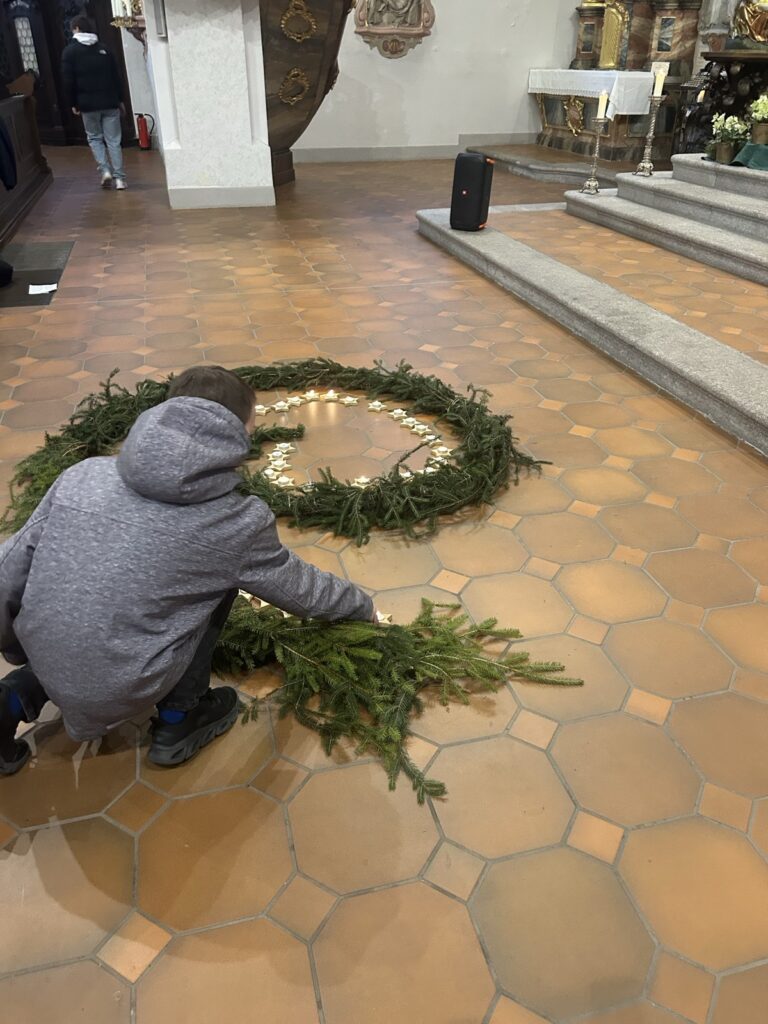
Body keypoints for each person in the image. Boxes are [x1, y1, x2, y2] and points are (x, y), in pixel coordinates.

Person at [0, 366, 374, 775]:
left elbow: (8, 568)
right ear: (235, 434)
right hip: (125, 683)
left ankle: (11, 700)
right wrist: (362, 607)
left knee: (86, 600)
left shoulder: (83, 475)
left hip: (41, 652)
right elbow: (300, 589)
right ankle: (181, 717)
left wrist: (16, 648)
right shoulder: (235, 522)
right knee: (218, 586)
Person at [61, 14, 127, 190]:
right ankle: (120, 179)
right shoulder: (104, 49)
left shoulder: (69, 52)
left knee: (95, 138)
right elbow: (116, 77)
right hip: (110, 101)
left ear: (76, 29)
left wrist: (72, 103)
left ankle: (105, 170)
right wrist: (120, 99)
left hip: (87, 103)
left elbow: (68, 81)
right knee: (114, 141)